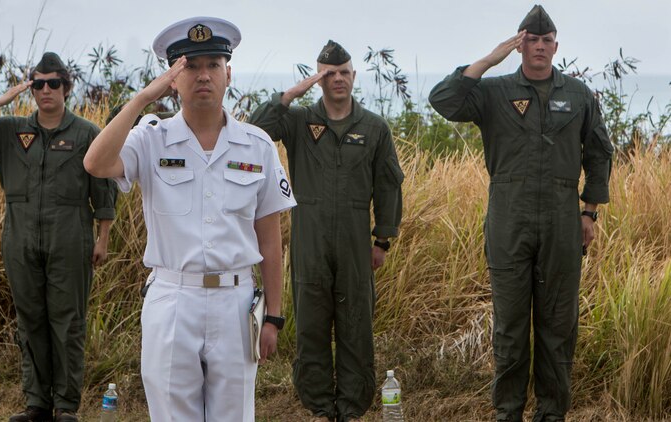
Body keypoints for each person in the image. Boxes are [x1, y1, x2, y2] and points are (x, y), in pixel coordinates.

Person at [82, 17, 296, 421]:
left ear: (228, 74)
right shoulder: (151, 138)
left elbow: (270, 241)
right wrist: (142, 98)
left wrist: (274, 315)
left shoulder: (257, 146)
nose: (203, 75)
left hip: (236, 300)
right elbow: (95, 162)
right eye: (190, 66)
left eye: (213, 65)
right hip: (172, 297)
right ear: (173, 79)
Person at [429, 5, 613, 422]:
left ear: (556, 47)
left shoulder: (578, 94)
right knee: (510, 327)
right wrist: (489, 59)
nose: (540, 47)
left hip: (563, 219)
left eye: (547, 41)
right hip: (509, 217)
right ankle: (508, 412)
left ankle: (552, 413)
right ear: (519, 44)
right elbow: (443, 100)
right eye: (531, 40)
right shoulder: (493, 92)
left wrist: (589, 212)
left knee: (558, 326)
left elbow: (599, 152)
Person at [0, 52, 118, 422]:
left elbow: (104, 189)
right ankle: (36, 404)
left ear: (66, 87)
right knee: (30, 320)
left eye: (53, 83)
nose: (46, 90)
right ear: (31, 88)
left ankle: (66, 406)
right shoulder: (10, 132)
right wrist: (0, 101)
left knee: (68, 321)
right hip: (20, 237)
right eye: (38, 83)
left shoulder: (86, 134)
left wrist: (102, 237)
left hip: (70, 236)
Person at [250, 40, 404, 422]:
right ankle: (320, 406)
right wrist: (290, 94)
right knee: (312, 326)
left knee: (356, 326)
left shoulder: (373, 127)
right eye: (329, 74)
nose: (338, 79)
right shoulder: (300, 121)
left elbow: (388, 185)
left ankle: (351, 408)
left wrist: (382, 239)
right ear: (318, 79)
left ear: (354, 75)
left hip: (354, 240)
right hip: (310, 239)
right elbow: (254, 131)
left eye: (344, 72)